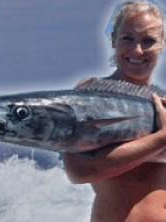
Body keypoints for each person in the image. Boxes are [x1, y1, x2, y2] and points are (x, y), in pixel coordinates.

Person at [63, 1, 166, 221]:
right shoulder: (90, 95)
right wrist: (162, 138)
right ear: (114, 41)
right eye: (128, 38)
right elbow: (79, 171)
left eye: (148, 41)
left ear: (162, 45)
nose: (137, 50)